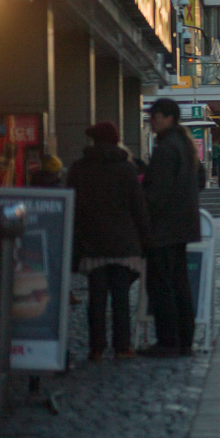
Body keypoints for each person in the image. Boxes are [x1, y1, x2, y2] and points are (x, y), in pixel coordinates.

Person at [69, 123, 150, 360]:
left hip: (91, 241)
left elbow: (73, 206)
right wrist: (145, 240)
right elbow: (138, 207)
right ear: (115, 141)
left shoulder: (79, 169)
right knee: (121, 296)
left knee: (96, 296)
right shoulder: (126, 169)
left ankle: (96, 347)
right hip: (123, 241)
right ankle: (122, 346)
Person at [142, 98, 202, 357]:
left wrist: (145, 216)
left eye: (155, 116)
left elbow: (157, 193)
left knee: (162, 285)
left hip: (165, 228)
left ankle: (168, 341)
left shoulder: (166, 148)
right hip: (180, 226)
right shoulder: (183, 145)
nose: (151, 121)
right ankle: (184, 340)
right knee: (179, 283)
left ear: (168, 117)